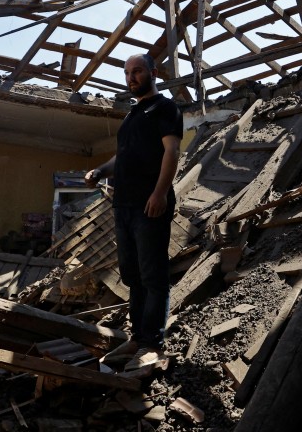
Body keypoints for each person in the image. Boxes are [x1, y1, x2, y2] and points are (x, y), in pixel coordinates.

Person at [85, 53, 182, 371]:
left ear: (153, 73)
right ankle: (137, 337)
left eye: (138, 71)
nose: (131, 77)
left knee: (154, 276)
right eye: (127, 73)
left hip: (148, 205)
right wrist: (100, 171)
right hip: (123, 206)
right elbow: (121, 158)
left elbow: (172, 150)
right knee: (134, 276)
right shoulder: (130, 116)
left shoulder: (164, 108)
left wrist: (159, 193)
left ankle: (152, 343)